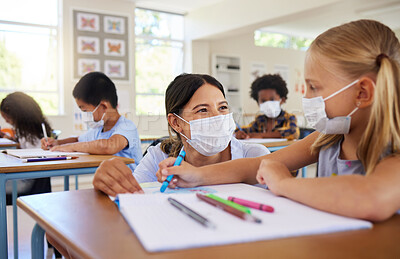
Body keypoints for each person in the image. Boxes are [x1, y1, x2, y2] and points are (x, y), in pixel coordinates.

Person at [157, 20, 400, 222]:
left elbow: (372, 199)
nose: (306, 97)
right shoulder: (329, 137)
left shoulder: (394, 148)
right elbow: (257, 165)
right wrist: (197, 176)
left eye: (314, 87)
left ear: (362, 93)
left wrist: (283, 183)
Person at [93, 73, 270, 196]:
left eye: (222, 107)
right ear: (176, 123)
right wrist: (108, 181)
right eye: (203, 110)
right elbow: (128, 198)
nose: (218, 117)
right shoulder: (159, 158)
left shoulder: (255, 156)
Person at [41, 71, 142, 170]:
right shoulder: (98, 130)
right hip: (112, 185)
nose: (85, 115)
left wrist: (72, 147)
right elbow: (78, 140)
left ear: (103, 106)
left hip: (134, 184)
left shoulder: (127, 127)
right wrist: (57, 143)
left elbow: (109, 146)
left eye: (85, 110)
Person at [0, 92, 52, 203]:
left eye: (7, 118)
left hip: (25, 181)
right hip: (24, 177)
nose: (6, 121)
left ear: (18, 115)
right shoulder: (29, 131)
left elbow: (31, 157)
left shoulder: (31, 135)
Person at [235, 74, 299, 140]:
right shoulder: (260, 120)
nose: (268, 104)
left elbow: (293, 132)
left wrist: (261, 135)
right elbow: (244, 130)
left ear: (282, 100)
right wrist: (239, 133)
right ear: (258, 103)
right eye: (263, 101)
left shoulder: (289, 118)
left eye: (272, 100)